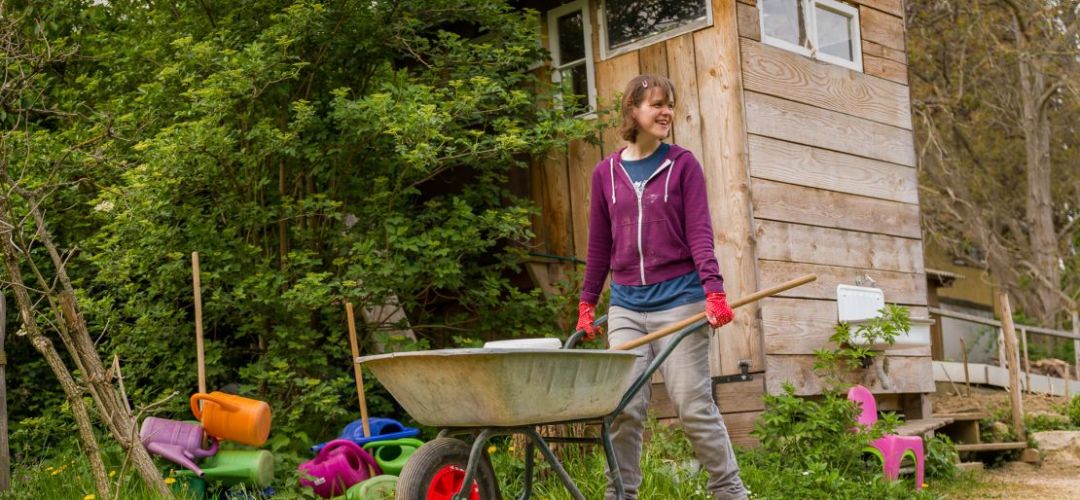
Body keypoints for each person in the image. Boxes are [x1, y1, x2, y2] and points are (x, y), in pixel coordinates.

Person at [575, 74, 748, 500]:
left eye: (669, 104)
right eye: (656, 104)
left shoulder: (682, 165)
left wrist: (714, 290)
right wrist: (587, 303)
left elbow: (700, 234)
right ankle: (621, 496)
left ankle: (730, 492)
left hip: (680, 301)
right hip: (628, 307)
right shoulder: (605, 174)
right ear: (632, 109)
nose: (666, 111)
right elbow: (599, 246)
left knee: (692, 405)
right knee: (622, 408)